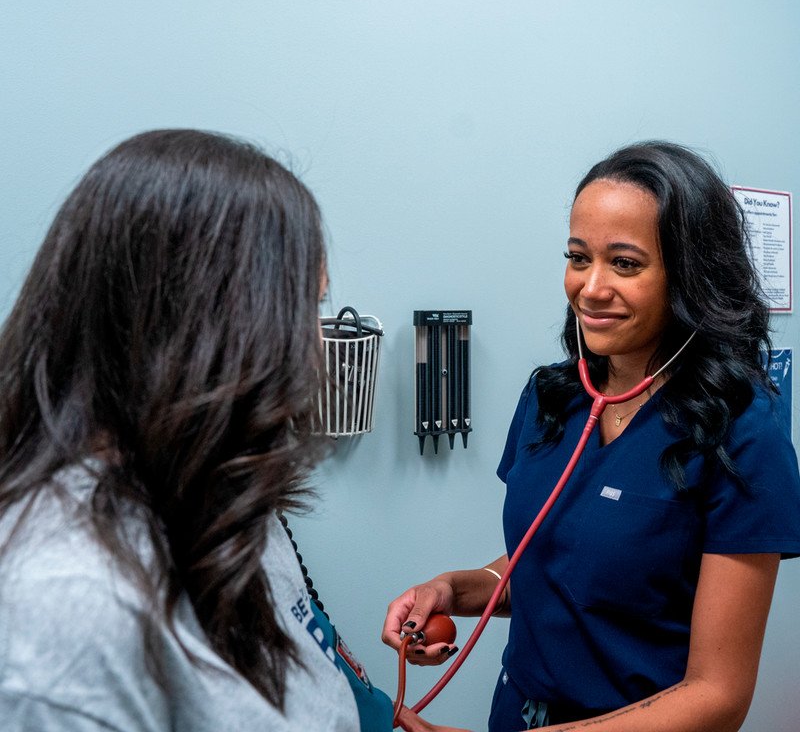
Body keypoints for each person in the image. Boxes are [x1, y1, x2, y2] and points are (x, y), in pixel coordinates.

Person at [384, 141, 800, 732]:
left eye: (625, 264)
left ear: (690, 277)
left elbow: (719, 695)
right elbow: (559, 557)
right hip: (515, 712)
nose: (591, 288)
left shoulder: (741, 431)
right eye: (579, 258)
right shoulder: (552, 397)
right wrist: (454, 589)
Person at [0, 129, 393, 731]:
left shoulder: (219, 491)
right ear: (206, 332)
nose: (315, 348)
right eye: (303, 313)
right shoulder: (67, 610)